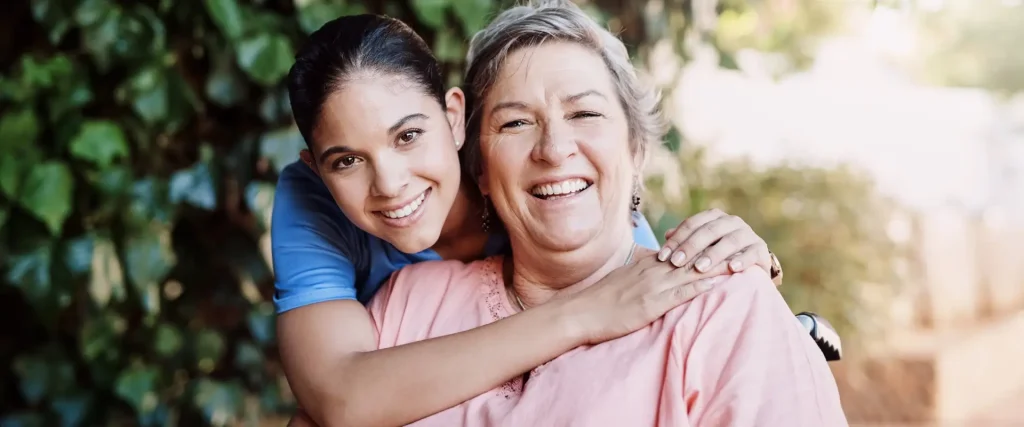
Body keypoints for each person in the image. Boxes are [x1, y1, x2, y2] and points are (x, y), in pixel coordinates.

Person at [276, 12, 781, 427]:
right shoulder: (393, 291)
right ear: (316, 168)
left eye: (408, 135)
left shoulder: (549, 192)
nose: (390, 183)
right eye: (346, 161)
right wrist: (582, 313)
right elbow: (338, 399)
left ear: (454, 119)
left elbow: (635, 274)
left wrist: (742, 279)